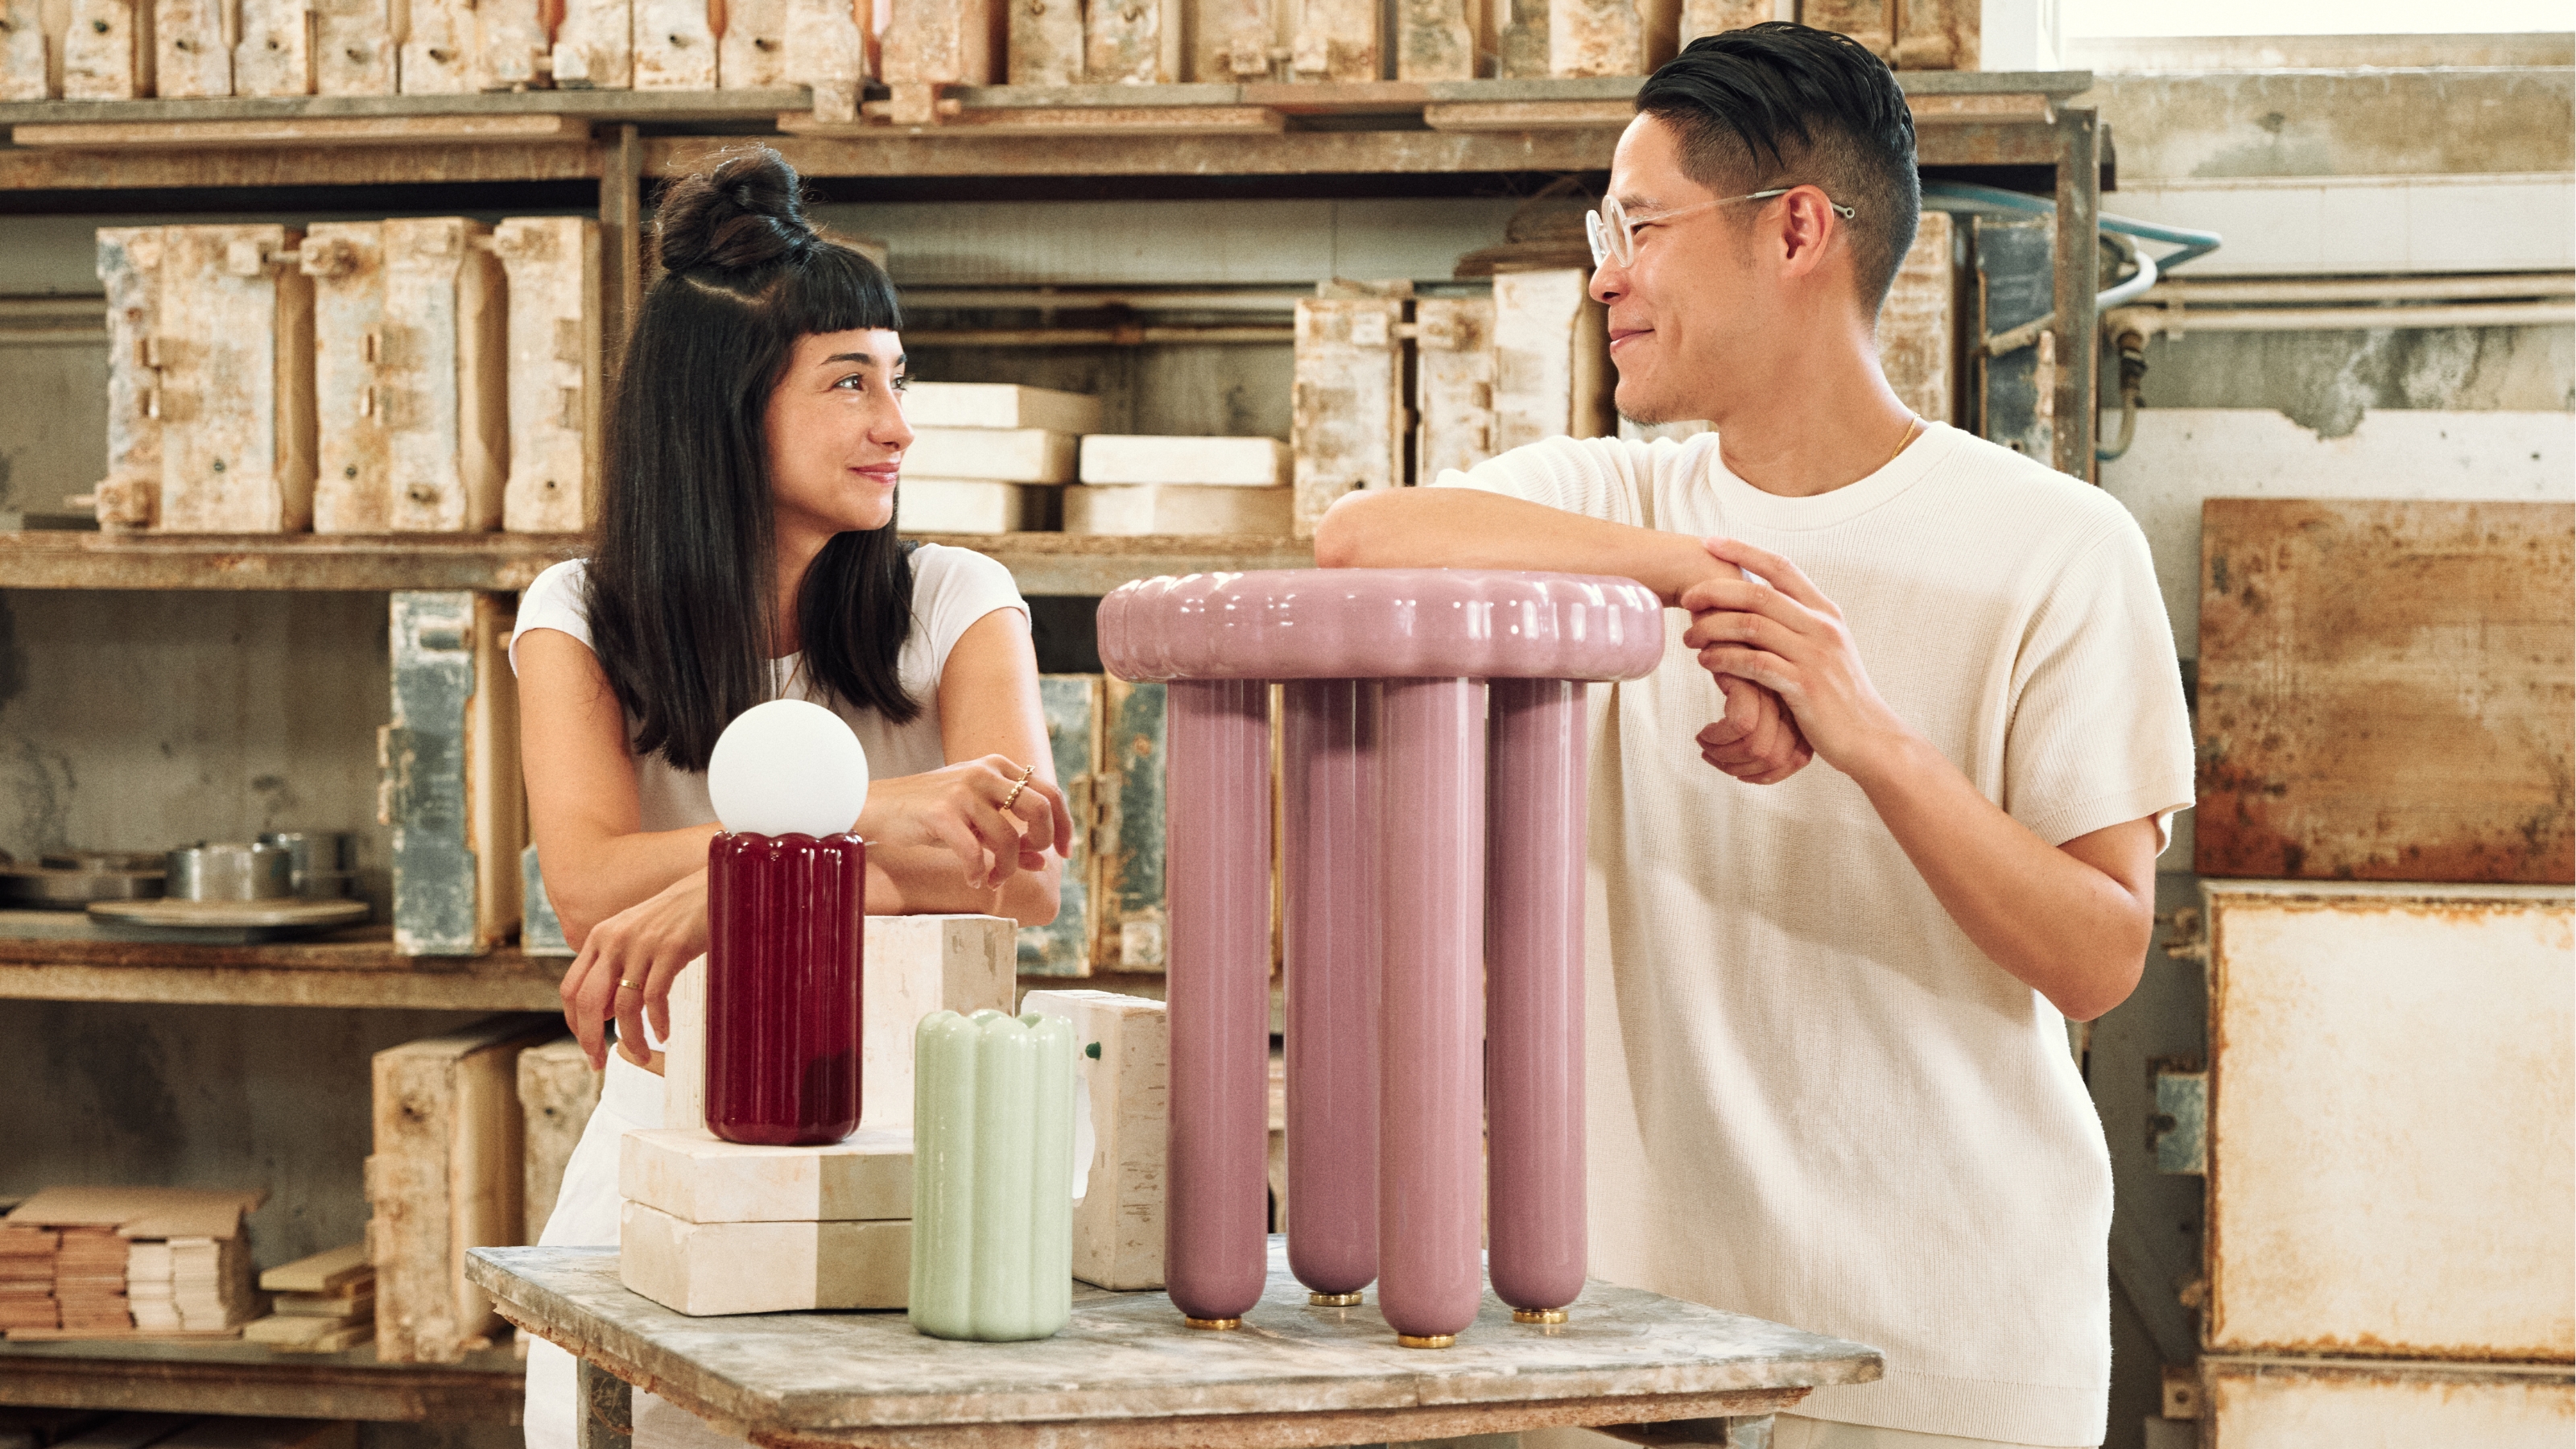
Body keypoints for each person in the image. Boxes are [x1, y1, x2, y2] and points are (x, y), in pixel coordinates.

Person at [1316, 24, 2192, 1449]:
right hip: (1629, 1347)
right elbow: (1358, 543)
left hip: (1947, 1360)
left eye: (1641, 227)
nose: (1605, 275)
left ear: (1794, 231)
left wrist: (1864, 732)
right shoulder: (1621, 505)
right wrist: (1700, 575)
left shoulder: (2059, 547)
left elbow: (2099, 956)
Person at [509, 147, 1074, 1449]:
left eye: (897, 378)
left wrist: (727, 895)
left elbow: (1020, 880)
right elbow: (589, 887)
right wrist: (867, 818)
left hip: (932, 1140)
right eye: (849, 381)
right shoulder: (580, 612)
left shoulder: (957, 599)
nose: (898, 426)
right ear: (726, 408)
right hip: (673, 1133)